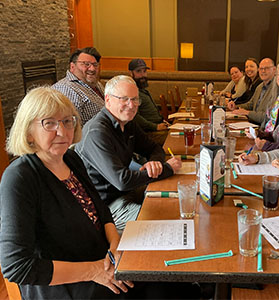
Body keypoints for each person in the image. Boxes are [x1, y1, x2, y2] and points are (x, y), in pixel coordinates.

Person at [0, 87, 133, 299]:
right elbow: (17, 266)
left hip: (103, 263)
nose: (62, 131)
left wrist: (116, 246)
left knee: (169, 283)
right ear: (28, 132)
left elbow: (102, 211)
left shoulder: (71, 159)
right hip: (64, 287)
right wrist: (96, 270)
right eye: (49, 123)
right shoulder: (19, 178)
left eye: (67, 121)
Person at [75, 75, 181, 231]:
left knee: (179, 204)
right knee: (164, 225)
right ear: (108, 99)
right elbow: (122, 181)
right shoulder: (97, 132)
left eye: (135, 99)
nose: (131, 105)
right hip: (106, 206)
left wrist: (155, 164)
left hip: (126, 192)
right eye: (124, 99)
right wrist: (167, 169)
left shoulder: (128, 122)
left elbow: (154, 148)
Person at [52, 47, 105, 126]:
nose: (92, 69)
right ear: (72, 67)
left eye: (95, 64)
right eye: (86, 64)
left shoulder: (95, 83)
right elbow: (71, 127)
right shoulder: (66, 89)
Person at [128, 58, 169, 145]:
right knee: (175, 139)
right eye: (138, 71)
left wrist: (162, 121)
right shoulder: (132, 92)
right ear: (131, 73)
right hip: (148, 133)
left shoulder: (143, 90)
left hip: (156, 128)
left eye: (144, 71)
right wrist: (156, 127)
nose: (143, 75)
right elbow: (135, 117)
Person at [227, 58, 279, 125]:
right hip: (252, 124)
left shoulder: (276, 89)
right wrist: (235, 106)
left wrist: (247, 113)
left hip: (263, 129)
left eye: (266, 68)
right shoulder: (259, 87)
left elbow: (268, 117)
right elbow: (250, 104)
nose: (263, 71)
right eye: (261, 69)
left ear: (274, 70)